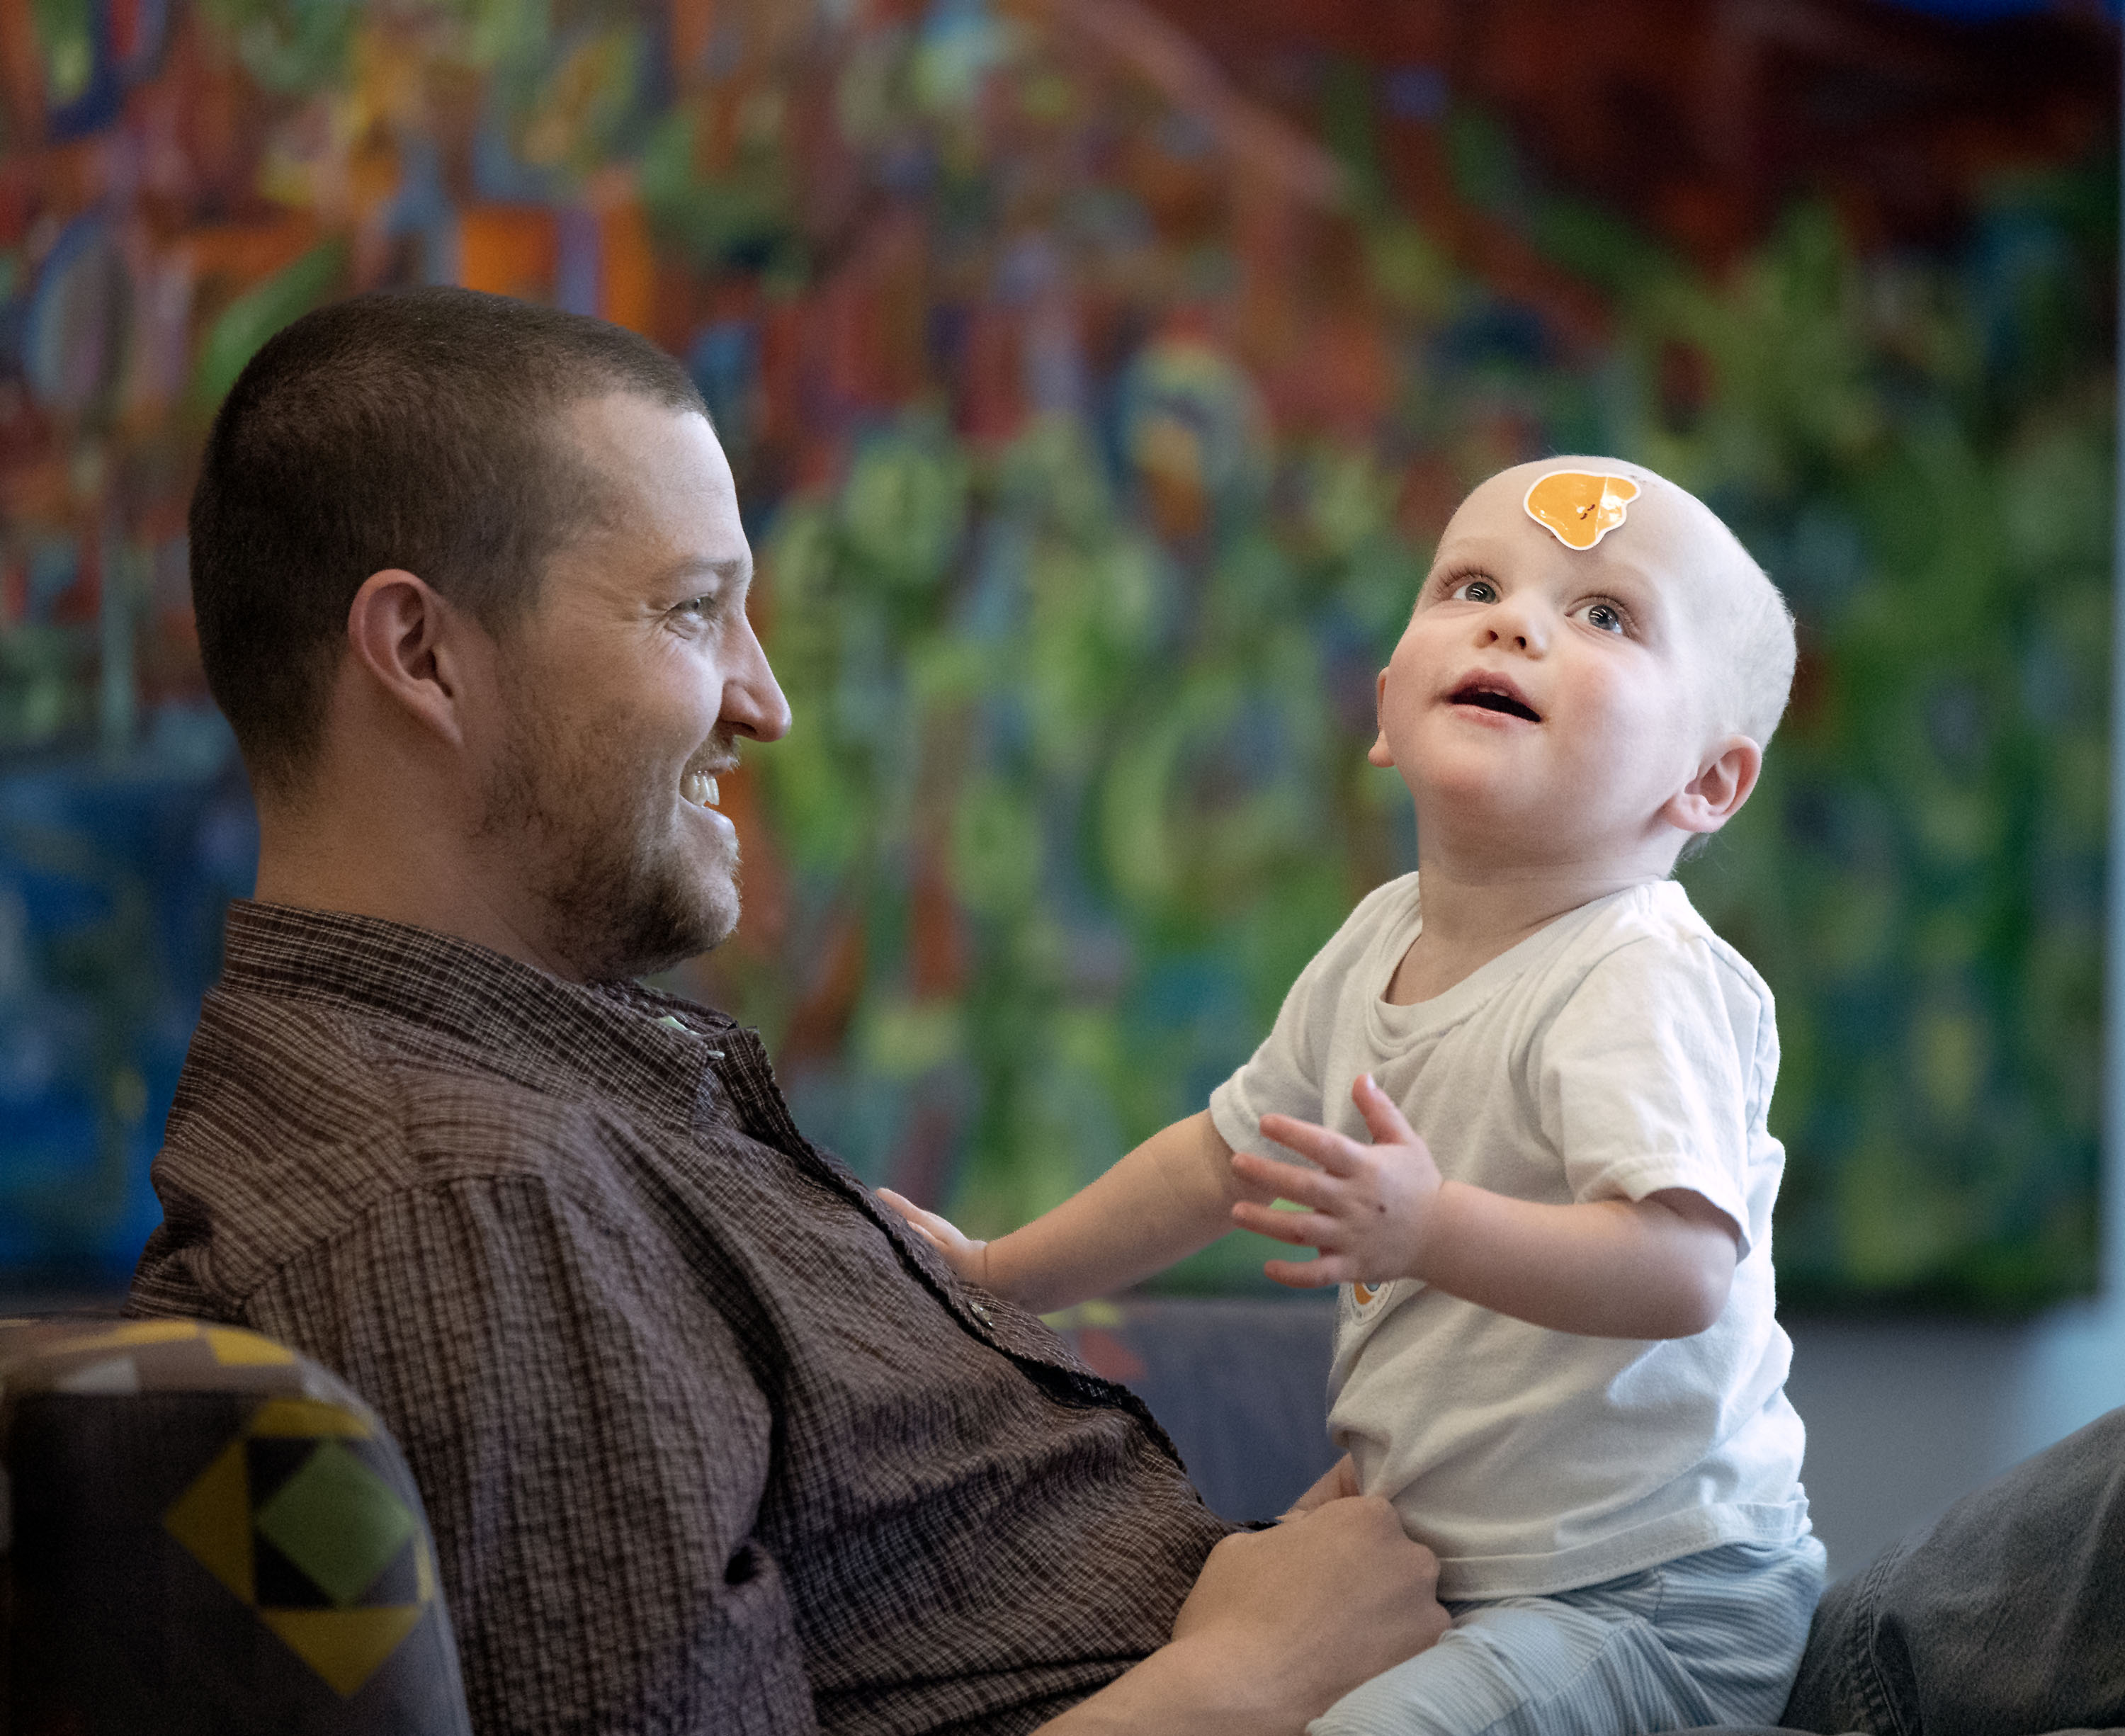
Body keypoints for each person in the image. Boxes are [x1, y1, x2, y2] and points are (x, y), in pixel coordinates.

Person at [124, 286, 1449, 1735]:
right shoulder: (469, 1196)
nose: (768, 702)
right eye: (693, 610)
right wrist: (1251, 1677)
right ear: (425, 655)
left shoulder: (533, 1114)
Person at [880, 462, 1825, 1735]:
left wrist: (1430, 1231)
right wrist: (994, 1274)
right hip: (1463, 1570)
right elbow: (1222, 1159)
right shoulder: (1379, 936)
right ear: (1386, 709)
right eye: (1473, 586)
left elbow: (1679, 1272)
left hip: (1648, 1590)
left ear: (1708, 783)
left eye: (1606, 615)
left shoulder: (1636, 971)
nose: (1515, 621)